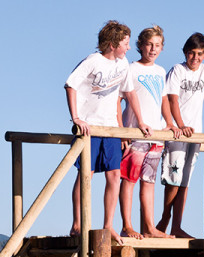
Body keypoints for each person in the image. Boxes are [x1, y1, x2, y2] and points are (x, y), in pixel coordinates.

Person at [65, 20, 151, 244]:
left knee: (114, 175)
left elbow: (130, 93)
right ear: (113, 44)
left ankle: (108, 226)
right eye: (125, 43)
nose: (129, 48)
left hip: (111, 127)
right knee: (86, 174)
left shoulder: (123, 65)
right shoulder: (93, 61)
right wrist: (76, 117)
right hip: (89, 127)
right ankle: (77, 223)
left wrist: (140, 121)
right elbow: (70, 85)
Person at [157, 32, 204, 238]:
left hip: (196, 134)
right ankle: (164, 221)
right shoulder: (177, 71)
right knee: (173, 178)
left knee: (185, 180)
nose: (195, 58)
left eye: (199, 54)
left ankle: (176, 226)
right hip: (178, 133)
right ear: (185, 53)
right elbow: (172, 99)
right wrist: (179, 125)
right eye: (192, 53)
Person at [118, 25, 181, 239]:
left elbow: (163, 99)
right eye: (149, 45)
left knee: (149, 181)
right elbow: (118, 100)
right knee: (128, 179)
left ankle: (149, 227)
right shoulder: (131, 68)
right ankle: (127, 225)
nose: (153, 49)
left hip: (155, 135)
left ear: (162, 48)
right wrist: (121, 131)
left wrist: (169, 122)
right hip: (135, 133)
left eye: (157, 46)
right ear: (141, 45)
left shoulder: (160, 71)